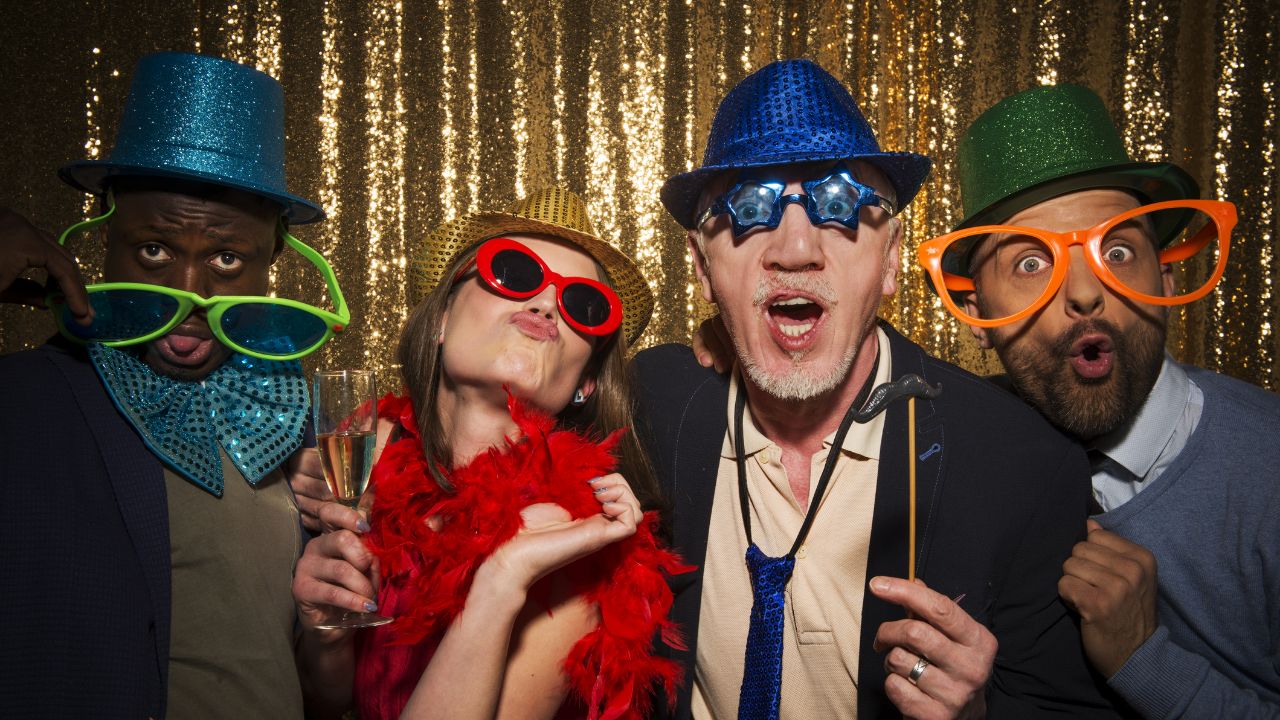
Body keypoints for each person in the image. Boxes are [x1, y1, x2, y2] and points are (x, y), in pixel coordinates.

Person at [639, 58, 1122, 719]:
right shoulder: (651, 404)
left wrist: (979, 711)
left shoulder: (1023, 466)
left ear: (891, 258)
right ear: (701, 265)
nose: (797, 248)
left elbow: (1068, 708)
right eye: (750, 210)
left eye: (840, 206)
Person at [917, 83, 1280, 719]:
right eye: (1031, 264)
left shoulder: (1268, 468)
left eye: (1117, 251)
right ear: (976, 314)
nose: (1084, 293)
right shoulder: (955, 446)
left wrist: (1144, 660)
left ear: (1165, 276)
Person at [0, 52, 339, 718]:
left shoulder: (296, 426)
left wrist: (330, 622)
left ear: (274, 257)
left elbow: (323, 690)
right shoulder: (24, 401)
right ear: (103, 238)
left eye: (226, 257)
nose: (189, 294)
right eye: (154, 249)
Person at [291, 186, 689, 720]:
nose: (547, 303)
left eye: (583, 306)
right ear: (439, 322)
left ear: (586, 382)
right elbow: (328, 702)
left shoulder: (571, 543)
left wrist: (504, 576)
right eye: (516, 272)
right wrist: (327, 635)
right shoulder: (366, 459)